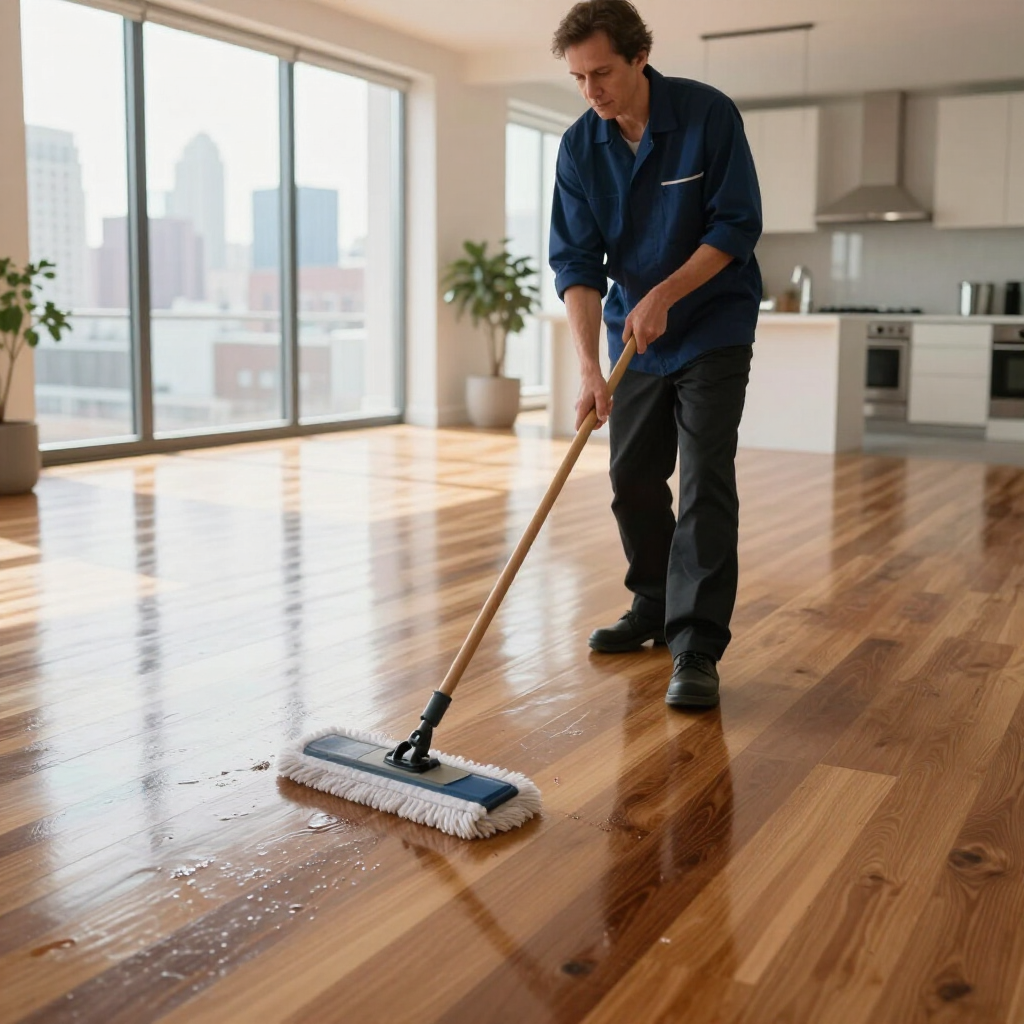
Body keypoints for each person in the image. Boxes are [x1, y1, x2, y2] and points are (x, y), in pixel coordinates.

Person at [549, 0, 762, 709]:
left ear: (639, 56)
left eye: (601, 72)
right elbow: (576, 265)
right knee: (632, 478)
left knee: (705, 477)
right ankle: (651, 602)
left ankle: (696, 643)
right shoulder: (581, 147)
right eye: (578, 79)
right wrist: (589, 370)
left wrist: (667, 292)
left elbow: (736, 225)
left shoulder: (706, 116)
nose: (592, 91)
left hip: (711, 322)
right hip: (634, 335)